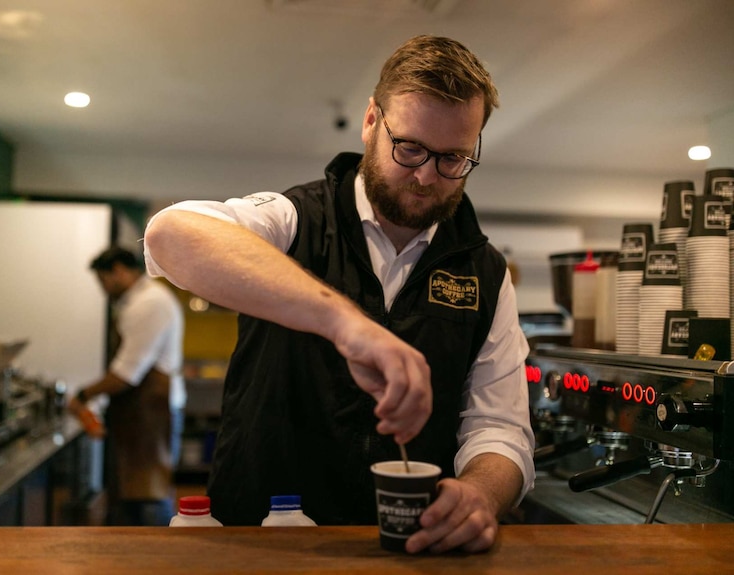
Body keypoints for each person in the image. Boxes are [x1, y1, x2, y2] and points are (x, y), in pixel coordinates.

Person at [143, 34, 534, 552]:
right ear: (372, 120)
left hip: (411, 551)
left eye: (453, 159)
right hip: (260, 543)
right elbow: (171, 234)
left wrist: (481, 495)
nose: (425, 175)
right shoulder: (294, 220)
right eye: (410, 147)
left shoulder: (485, 271)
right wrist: (347, 325)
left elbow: (499, 427)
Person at [68, 246, 186, 526]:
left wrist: (83, 396)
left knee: (149, 494)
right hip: (140, 413)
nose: (103, 288)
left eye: (103, 280)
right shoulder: (138, 302)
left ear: (119, 271)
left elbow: (126, 374)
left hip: (153, 415)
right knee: (133, 496)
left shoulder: (150, 303)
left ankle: (157, 565)